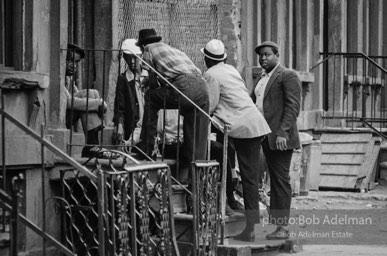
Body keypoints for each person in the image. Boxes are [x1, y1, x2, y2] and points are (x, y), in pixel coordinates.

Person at [201, 39, 271, 241]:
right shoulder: (230, 70)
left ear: (206, 59)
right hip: (249, 124)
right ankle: (237, 206)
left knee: (249, 179)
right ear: (223, 57)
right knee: (247, 175)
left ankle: (252, 228)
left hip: (244, 128)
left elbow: (210, 105)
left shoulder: (211, 75)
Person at [135, 28, 210, 167]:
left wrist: (148, 85)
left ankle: (147, 148)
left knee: (151, 98)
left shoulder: (148, 48)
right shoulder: (172, 49)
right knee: (195, 127)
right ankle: (196, 170)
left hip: (184, 85)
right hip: (202, 87)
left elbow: (151, 80)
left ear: (142, 45)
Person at [252, 41, 301, 240]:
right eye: (260, 56)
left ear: (277, 55)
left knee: (280, 182)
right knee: (263, 181)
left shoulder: (287, 75)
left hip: (279, 138)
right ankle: (274, 225)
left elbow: (293, 107)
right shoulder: (261, 78)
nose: (263, 58)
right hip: (262, 136)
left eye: (267, 55)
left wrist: (283, 132)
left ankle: (282, 228)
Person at [65, 43, 118, 159]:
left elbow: (79, 96)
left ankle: (92, 146)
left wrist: (95, 101)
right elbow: (68, 101)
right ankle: (91, 146)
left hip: (68, 114)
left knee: (91, 93)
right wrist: (97, 104)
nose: (74, 66)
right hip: (61, 117)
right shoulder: (57, 76)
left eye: (76, 63)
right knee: (89, 100)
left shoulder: (68, 78)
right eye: (70, 61)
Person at [112, 38, 145, 150]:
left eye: (135, 58)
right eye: (128, 59)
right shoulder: (124, 79)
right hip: (133, 125)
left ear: (141, 56)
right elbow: (119, 107)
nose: (132, 62)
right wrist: (119, 125)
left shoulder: (149, 76)